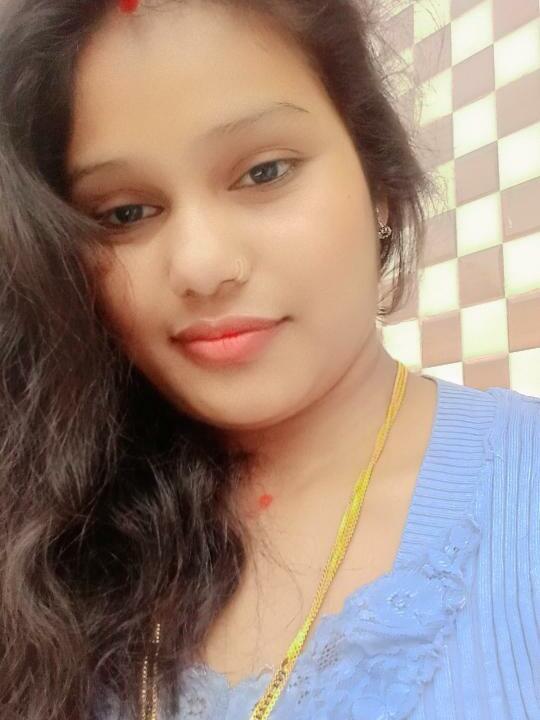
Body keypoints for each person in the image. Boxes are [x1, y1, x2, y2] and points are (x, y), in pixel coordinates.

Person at [0, 1, 538, 719]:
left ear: (377, 181)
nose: (202, 265)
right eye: (124, 213)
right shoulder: (49, 522)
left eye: (264, 172)